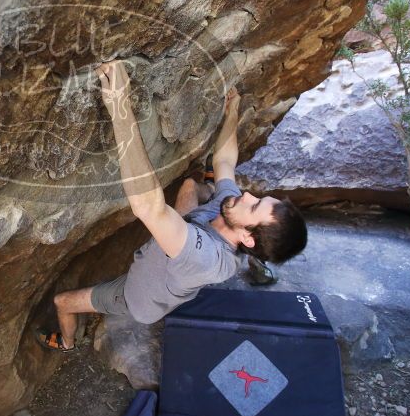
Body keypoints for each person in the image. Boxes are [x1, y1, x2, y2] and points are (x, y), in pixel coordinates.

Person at [36, 61, 307, 352]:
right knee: (191, 187)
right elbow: (225, 161)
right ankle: (181, 215)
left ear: (247, 238)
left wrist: (119, 106)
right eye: (259, 198)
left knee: (62, 301)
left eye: (254, 207)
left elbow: (149, 207)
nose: (248, 196)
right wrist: (232, 112)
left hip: (138, 296)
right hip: (166, 262)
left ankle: (66, 342)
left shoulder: (207, 258)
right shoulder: (231, 210)